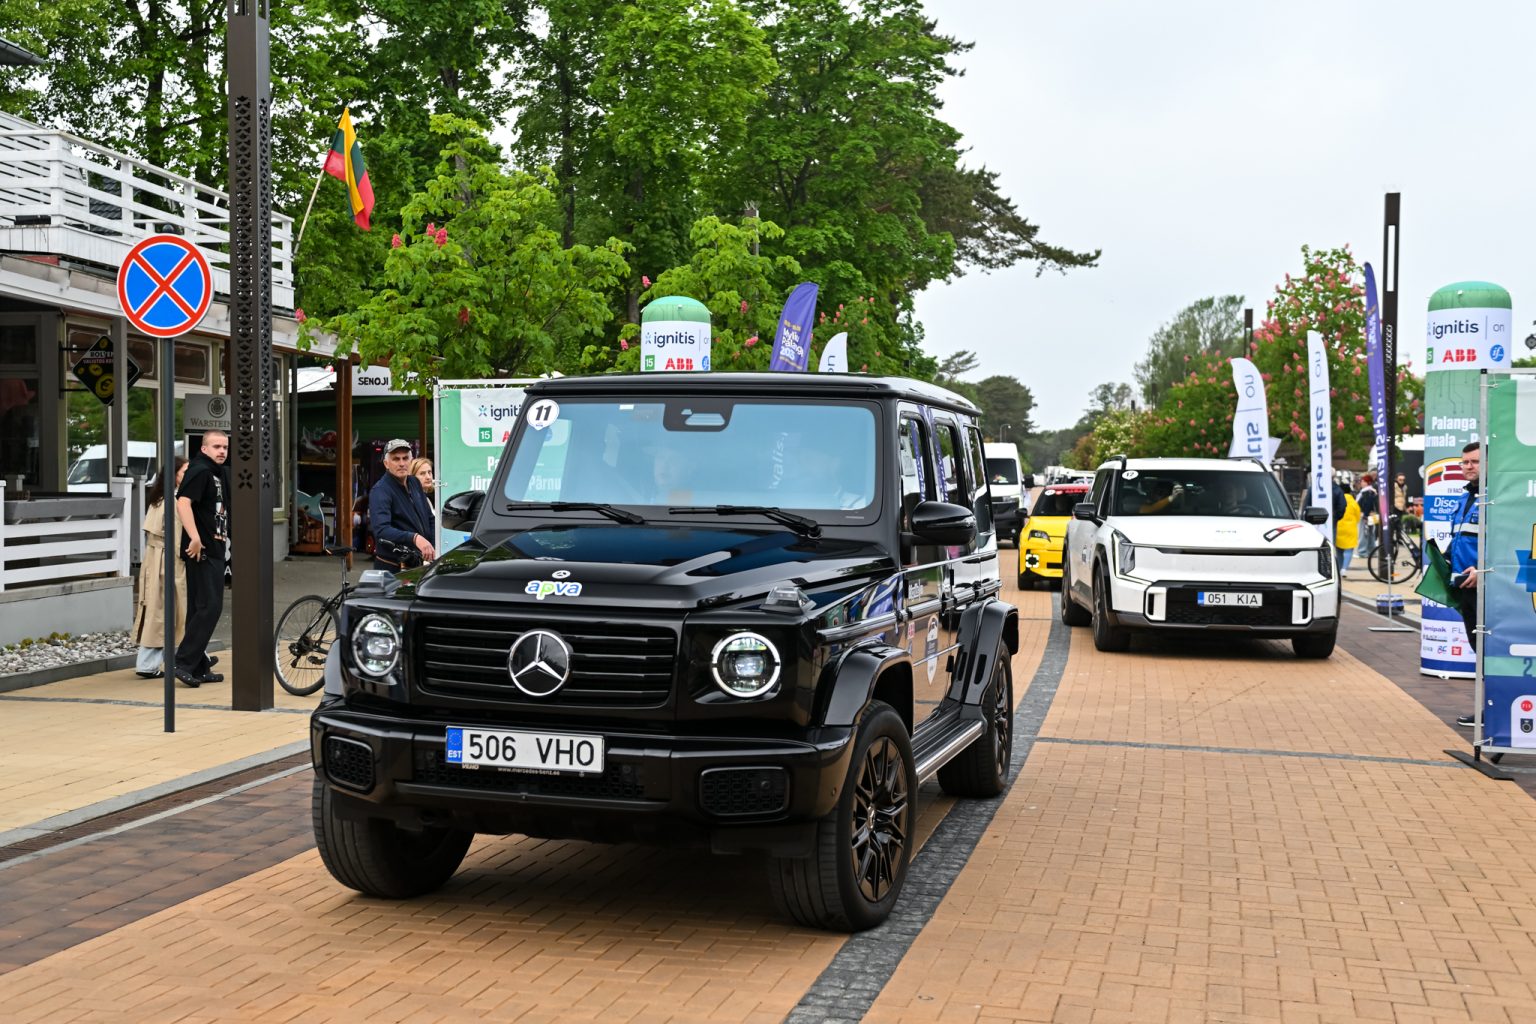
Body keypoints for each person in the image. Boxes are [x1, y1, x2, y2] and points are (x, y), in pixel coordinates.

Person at [173, 431, 229, 688]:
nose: (222, 451)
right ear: (204, 448)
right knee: (210, 607)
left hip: (215, 548)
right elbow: (183, 503)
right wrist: (194, 538)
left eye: (225, 447)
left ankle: (198, 666)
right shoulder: (199, 471)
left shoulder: (217, 473)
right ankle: (183, 662)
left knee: (199, 608)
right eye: (216, 446)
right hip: (202, 549)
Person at [133, 457, 187, 677]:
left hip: (155, 558)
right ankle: (148, 664)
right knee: (167, 611)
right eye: (184, 471)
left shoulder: (159, 498)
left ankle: (191, 656)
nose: (187, 476)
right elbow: (176, 536)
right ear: (174, 475)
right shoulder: (173, 501)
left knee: (158, 610)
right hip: (168, 560)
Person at [1449, 442, 1482, 727]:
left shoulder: (1494, 497)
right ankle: (1486, 709)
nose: (1468, 467)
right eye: (1464, 462)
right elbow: (1461, 540)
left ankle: (1490, 711)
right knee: (1477, 646)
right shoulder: (1465, 498)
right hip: (1465, 587)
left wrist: (1483, 571)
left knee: (1488, 649)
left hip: (1487, 587)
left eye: (1474, 462)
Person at [369, 439, 436, 572]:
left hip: (418, 563)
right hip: (392, 567)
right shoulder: (380, 490)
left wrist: (432, 546)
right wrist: (414, 538)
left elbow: (430, 519)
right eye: (396, 459)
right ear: (386, 463)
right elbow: (381, 531)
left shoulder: (415, 483)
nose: (401, 463)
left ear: (411, 461)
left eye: (405, 458)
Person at [1335, 481, 1360, 574]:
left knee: (1339, 551)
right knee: (1349, 550)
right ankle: (1344, 569)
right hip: (1350, 529)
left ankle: (1339, 568)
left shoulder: (1337, 500)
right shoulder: (1353, 502)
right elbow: (1358, 515)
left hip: (1338, 527)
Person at [1355, 473, 1379, 558]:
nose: (1361, 483)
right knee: (1370, 534)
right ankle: (1371, 551)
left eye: (1363, 481)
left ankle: (1362, 552)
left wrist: (1365, 515)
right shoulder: (1372, 491)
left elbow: (1367, 504)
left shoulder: (1366, 492)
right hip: (1372, 516)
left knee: (1363, 534)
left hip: (1365, 516)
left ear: (1367, 482)